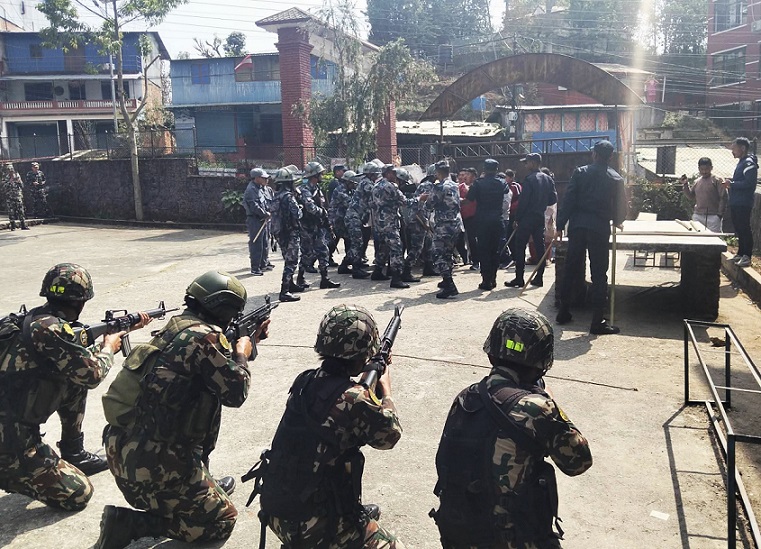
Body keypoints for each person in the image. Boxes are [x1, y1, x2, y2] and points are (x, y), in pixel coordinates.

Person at [96, 270, 268, 548]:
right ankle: (131, 524)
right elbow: (236, 393)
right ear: (224, 308)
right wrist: (242, 353)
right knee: (222, 521)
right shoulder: (206, 337)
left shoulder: (177, 328)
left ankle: (197, 487)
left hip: (125, 454)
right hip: (153, 468)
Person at [431, 308, 593, 549]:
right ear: (542, 364)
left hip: (458, 535)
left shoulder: (466, 397)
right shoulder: (537, 408)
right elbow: (579, 462)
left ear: (491, 355)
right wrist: (549, 403)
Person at [0, 263, 149, 511]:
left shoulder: (33, 321)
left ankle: (74, 452)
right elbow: (92, 375)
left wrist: (119, 332)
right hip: (11, 442)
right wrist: (108, 347)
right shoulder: (52, 330)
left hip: (11, 421)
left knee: (72, 381)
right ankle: (11, 473)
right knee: (79, 493)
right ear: (80, 302)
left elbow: (76, 363)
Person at [252, 304, 403, 548]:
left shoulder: (305, 381)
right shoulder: (354, 398)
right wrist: (385, 391)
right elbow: (390, 436)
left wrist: (366, 384)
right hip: (310, 526)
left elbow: (335, 417)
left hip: (276, 509)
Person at [555, 140, 627, 335]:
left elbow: (569, 200)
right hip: (599, 229)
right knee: (599, 274)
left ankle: (563, 311)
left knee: (571, 269)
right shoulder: (615, 178)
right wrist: (617, 220)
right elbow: (621, 207)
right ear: (610, 157)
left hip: (578, 226)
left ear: (594, 154)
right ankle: (597, 321)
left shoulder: (580, 173)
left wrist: (560, 225)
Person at [505, 153, 557, 289]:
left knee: (520, 247)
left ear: (533, 163)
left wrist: (517, 218)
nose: (525, 165)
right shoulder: (548, 179)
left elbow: (523, 201)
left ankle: (519, 278)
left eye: (527, 162)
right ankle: (539, 277)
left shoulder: (529, 179)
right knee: (540, 247)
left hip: (527, 218)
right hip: (539, 216)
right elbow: (553, 199)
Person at [372, 167, 429, 288]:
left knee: (384, 247)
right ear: (388, 173)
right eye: (393, 173)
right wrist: (419, 198)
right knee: (396, 249)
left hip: (379, 222)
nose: (395, 176)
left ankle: (377, 271)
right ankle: (396, 278)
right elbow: (405, 202)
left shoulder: (376, 186)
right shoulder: (390, 186)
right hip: (390, 223)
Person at [467, 159, 510, 290]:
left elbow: (469, 199)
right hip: (497, 220)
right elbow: (506, 191)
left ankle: (486, 280)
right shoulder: (502, 183)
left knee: (484, 250)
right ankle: (493, 278)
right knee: (495, 250)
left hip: (482, 221)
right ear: (496, 170)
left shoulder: (478, 184)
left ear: (484, 169)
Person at [299, 162, 340, 289]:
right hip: (307, 227)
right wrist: (323, 212)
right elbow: (310, 207)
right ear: (314, 175)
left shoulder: (317, 188)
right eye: (320, 174)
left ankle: (324, 279)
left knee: (323, 252)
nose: (322, 176)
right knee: (307, 254)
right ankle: (300, 278)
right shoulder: (305, 190)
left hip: (318, 226)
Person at [427, 161, 463, 298]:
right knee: (447, 253)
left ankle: (449, 285)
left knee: (438, 254)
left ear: (438, 172)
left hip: (443, 226)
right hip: (455, 224)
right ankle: (446, 279)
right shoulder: (454, 185)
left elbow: (430, 204)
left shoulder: (439, 187)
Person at [270, 166, 304, 303]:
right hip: (290, 232)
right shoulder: (289, 197)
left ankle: (290, 284)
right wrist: (300, 207)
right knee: (292, 261)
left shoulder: (276, 196)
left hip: (280, 233)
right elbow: (297, 214)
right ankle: (284, 291)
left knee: (287, 258)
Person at [723, 137, 758, 268]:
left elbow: (749, 183)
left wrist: (731, 184)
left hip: (743, 202)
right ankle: (741, 252)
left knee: (744, 228)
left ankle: (747, 256)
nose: (732, 151)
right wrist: (731, 182)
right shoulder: (741, 162)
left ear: (742, 148)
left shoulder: (749, 163)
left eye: (734, 148)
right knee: (738, 228)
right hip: (736, 201)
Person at [345, 162, 381, 279]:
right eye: (375, 174)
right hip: (354, 216)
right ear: (371, 174)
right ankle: (356, 269)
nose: (376, 176)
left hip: (357, 216)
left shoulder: (365, 182)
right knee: (357, 243)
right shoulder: (366, 183)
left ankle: (344, 265)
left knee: (358, 242)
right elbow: (377, 193)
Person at [681, 159, 727, 234]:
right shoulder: (697, 181)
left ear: (711, 168)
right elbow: (690, 196)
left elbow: (724, 197)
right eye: (702, 169)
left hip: (713, 216)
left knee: (714, 238)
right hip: (698, 215)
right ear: (699, 169)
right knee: (697, 238)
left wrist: (719, 215)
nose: (704, 171)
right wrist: (685, 184)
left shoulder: (717, 180)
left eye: (707, 169)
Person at [244, 168, 272, 276]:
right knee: (256, 244)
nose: (266, 180)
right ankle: (255, 267)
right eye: (263, 178)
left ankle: (263, 263)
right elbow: (254, 206)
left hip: (264, 219)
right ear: (256, 178)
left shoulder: (262, 188)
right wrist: (265, 214)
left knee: (265, 242)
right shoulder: (251, 190)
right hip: (255, 220)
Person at [330, 169, 358, 274]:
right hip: (338, 219)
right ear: (348, 182)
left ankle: (348, 262)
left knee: (348, 240)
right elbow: (351, 203)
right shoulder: (340, 190)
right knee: (336, 240)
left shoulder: (350, 190)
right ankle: (327, 258)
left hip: (344, 219)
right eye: (352, 183)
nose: (354, 185)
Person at [457, 168, 479, 268]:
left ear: (474, 176)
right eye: (464, 174)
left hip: (473, 216)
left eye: (468, 174)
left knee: (472, 239)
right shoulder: (459, 187)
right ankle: (465, 257)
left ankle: (475, 261)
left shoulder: (477, 187)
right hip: (461, 217)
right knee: (459, 239)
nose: (465, 177)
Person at [2, 161, 29, 231]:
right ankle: (13, 225)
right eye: (9, 170)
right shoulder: (5, 177)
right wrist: (10, 182)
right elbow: (3, 187)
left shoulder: (17, 175)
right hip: (10, 196)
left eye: (12, 170)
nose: (11, 171)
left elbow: (22, 186)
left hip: (18, 195)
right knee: (11, 211)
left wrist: (19, 182)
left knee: (21, 210)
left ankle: (23, 225)